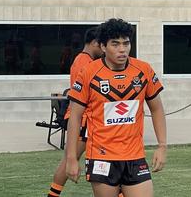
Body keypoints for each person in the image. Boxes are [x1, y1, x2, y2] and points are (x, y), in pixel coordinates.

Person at [65, 18, 167, 197]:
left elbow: (157, 108)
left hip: (135, 157)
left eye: (126, 43)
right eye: (115, 44)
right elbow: (74, 117)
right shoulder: (89, 72)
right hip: (102, 157)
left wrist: (162, 146)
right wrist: (71, 158)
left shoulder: (143, 70)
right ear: (103, 46)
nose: (122, 49)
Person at [48, 26, 104, 197]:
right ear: (95, 43)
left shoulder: (82, 60)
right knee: (70, 160)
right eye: (103, 45)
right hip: (84, 121)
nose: (104, 50)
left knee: (107, 158)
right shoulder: (85, 62)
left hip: (88, 120)